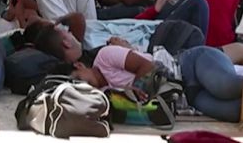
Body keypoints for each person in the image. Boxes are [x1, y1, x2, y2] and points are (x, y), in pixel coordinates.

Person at [69, 44, 243, 123]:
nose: (83, 86)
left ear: (79, 65)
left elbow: (148, 66)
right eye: (78, 89)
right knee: (235, 112)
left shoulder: (104, 57)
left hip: (188, 65)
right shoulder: (105, 97)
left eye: (78, 80)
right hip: (189, 97)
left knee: (226, 86)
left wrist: (136, 89)